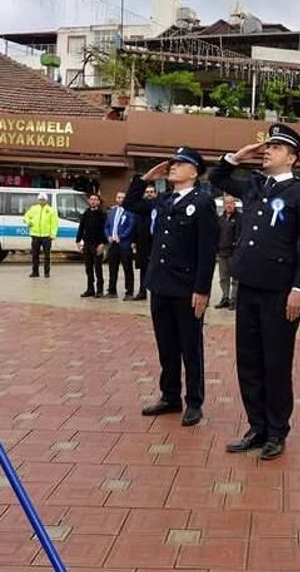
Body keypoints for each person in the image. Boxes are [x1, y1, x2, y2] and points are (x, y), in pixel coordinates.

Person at [209, 123, 300, 461]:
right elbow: (218, 179)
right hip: (249, 286)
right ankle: (256, 426)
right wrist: (236, 157)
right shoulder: (256, 185)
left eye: (275, 146)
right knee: (249, 361)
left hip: (280, 291)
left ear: (291, 156)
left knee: (275, 362)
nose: (267, 150)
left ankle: (276, 431)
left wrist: (299, 288)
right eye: (267, 145)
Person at [130, 147, 219, 426]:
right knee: (166, 345)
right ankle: (170, 396)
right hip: (160, 284)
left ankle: (194, 402)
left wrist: (202, 290)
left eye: (181, 164)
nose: (173, 167)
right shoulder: (165, 200)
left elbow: (207, 250)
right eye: (173, 163)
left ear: (194, 172)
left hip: (186, 287)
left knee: (190, 347)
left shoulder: (203, 203)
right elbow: (132, 204)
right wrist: (144, 178)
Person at [104, 191, 137, 300]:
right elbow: (107, 226)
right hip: (113, 244)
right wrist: (108, 236)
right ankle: (112, 290)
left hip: (124, 244)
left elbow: (131, 226)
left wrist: (121, 236)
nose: (120, 199)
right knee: (112, 269)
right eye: (118, 197)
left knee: (127, 269)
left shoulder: (130, 212)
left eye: (122, 198)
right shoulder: (112, 211)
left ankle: (129, 292)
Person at [129, 184, 158, 301]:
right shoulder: (140, 208)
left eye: (151, 192)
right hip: (143, 243)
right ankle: (142, 291)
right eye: (147, 192)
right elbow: (136, 226)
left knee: (157, 269)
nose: (149, 194)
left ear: (155, 194)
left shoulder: (159, 206)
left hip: (156, 242)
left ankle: (157, 293)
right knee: (143, 268)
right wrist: (134, 241)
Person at [75, 193, 107, 298]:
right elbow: (81, 227)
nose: (93, 201)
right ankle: (90, 289)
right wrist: (78, 240)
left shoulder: (102, 214)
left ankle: (100, 290)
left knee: (98, 268)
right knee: (88, 268)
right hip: (87, 244)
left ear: (99, 201)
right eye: (91, 199)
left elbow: (105, 230)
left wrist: (103, 244)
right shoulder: (86, 213)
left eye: (95, 199)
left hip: (98, 244)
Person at [214, 194, 241, 310]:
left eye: (231, 203)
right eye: (226, 203)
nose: (228, 205)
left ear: (234, 204)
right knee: (224, 278)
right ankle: (225, 298)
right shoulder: (220, 219)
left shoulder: (240, 218)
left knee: (235, 279)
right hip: (222, 252)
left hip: (234, 253)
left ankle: (234, 300)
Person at [23, 192, 58, 278]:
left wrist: (53, 235)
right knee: (35, 255)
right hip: (35, 235)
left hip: (47, 236)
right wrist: (29, 222)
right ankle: (35, 272)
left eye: (43, 200)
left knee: (47, 255)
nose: (42, 201)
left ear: (46, 200)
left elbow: (54, 224)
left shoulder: (51, 210)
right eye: (40, 199)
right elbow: (26, 217)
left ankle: (47, 272)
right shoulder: (34, 208)